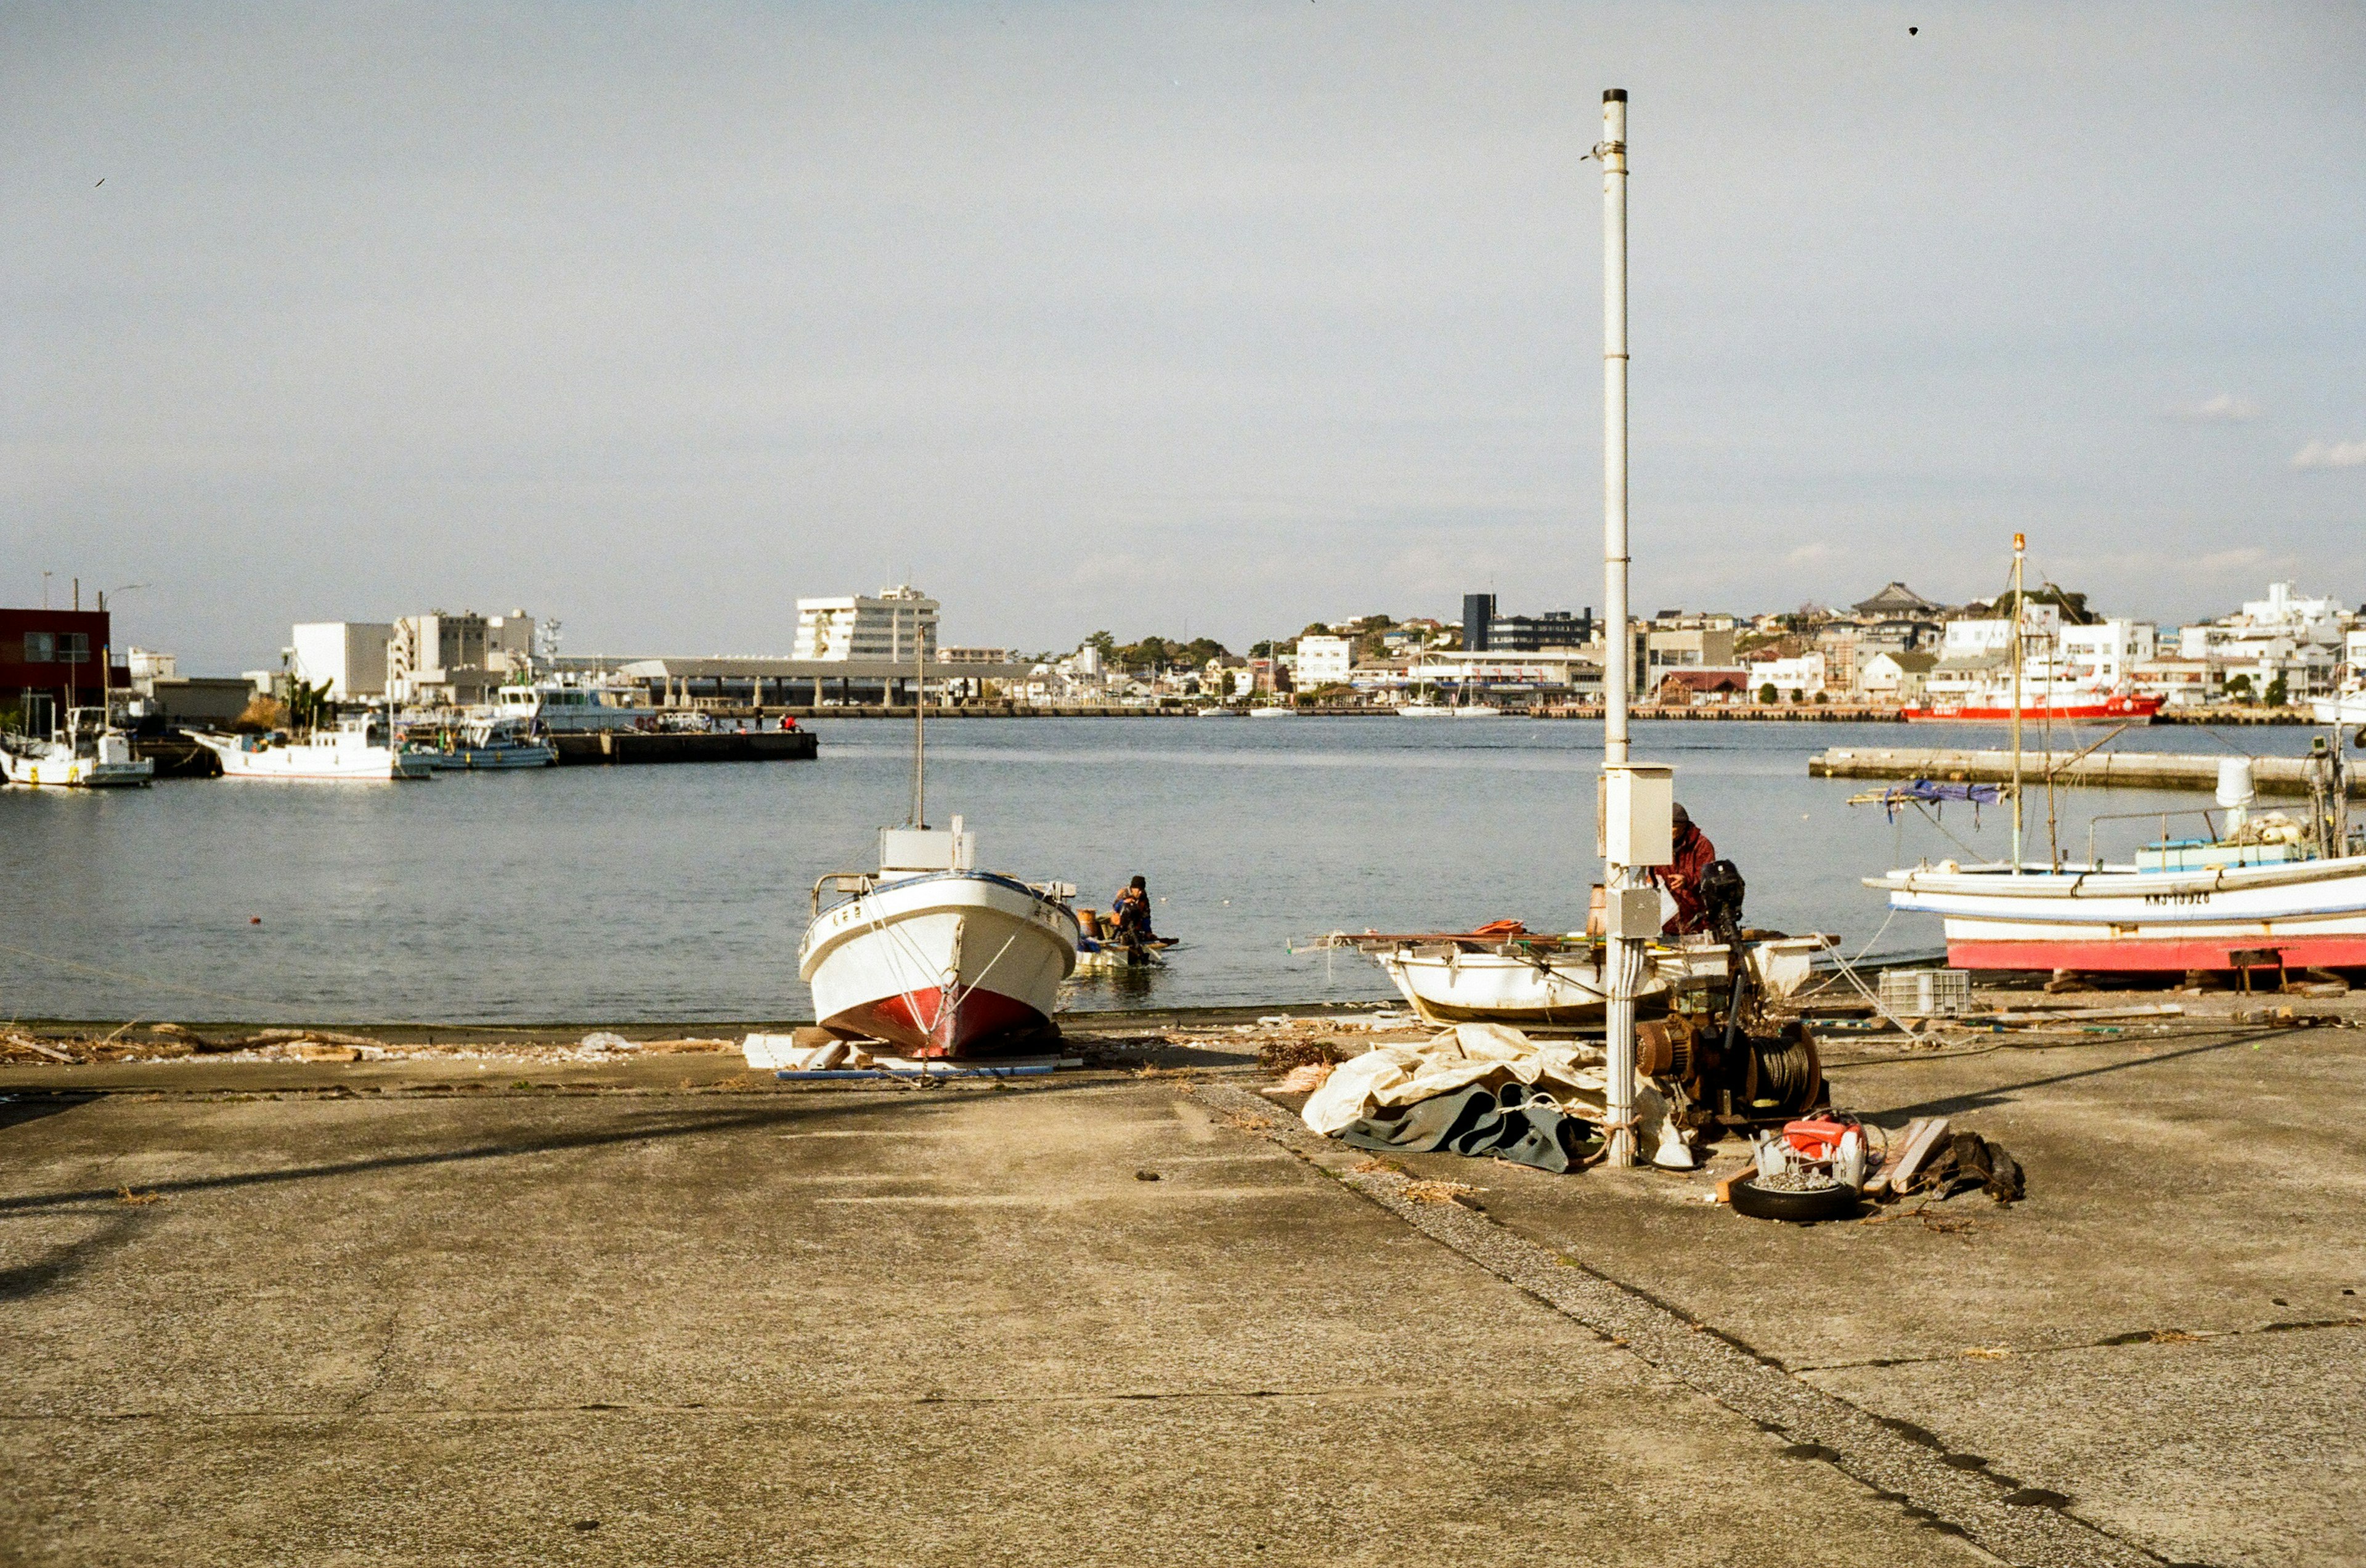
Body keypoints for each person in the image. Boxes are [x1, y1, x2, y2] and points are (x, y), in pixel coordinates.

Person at [1653, 802, 1720, 935]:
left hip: (1698, 917)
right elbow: (1652, 871)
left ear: (1683, 826)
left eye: (1672, 827)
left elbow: (1708, 878)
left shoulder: (1702, 845)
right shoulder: (1657, 844)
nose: (1667, 831)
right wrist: (1651, 880)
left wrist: (1686, 880)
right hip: (1668, 919)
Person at [1110, 875, 1157, 945]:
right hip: (1119, 926)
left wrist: (1148, 932)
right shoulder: (1124, 893)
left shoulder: (1143, 898)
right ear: (1133, 889)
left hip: (1135, 927)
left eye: (1142, 890)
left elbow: (1146, 916)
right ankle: (1118, 937)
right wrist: (1123, 902)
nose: (1140, 892)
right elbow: (1115, 908)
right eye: (1139, 890)